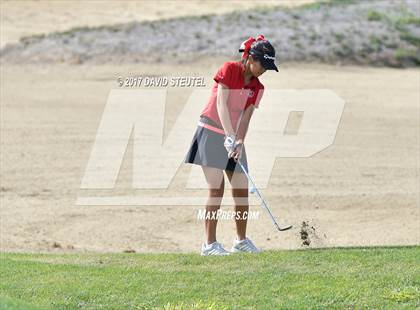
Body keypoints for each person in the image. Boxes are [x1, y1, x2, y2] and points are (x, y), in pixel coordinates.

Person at [184, 34, 279, 256]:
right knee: (216, 189)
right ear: (251, 59)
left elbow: (245, 119)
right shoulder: (228, 69)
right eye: (262, 65)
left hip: (232, 140)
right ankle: (209, 245)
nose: (263, 70)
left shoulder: (258, 88)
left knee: (241, 190)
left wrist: (238, 141)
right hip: (209, 132)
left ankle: (241, 241)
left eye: (267, 67)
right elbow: (221, 104)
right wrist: (228, 135)